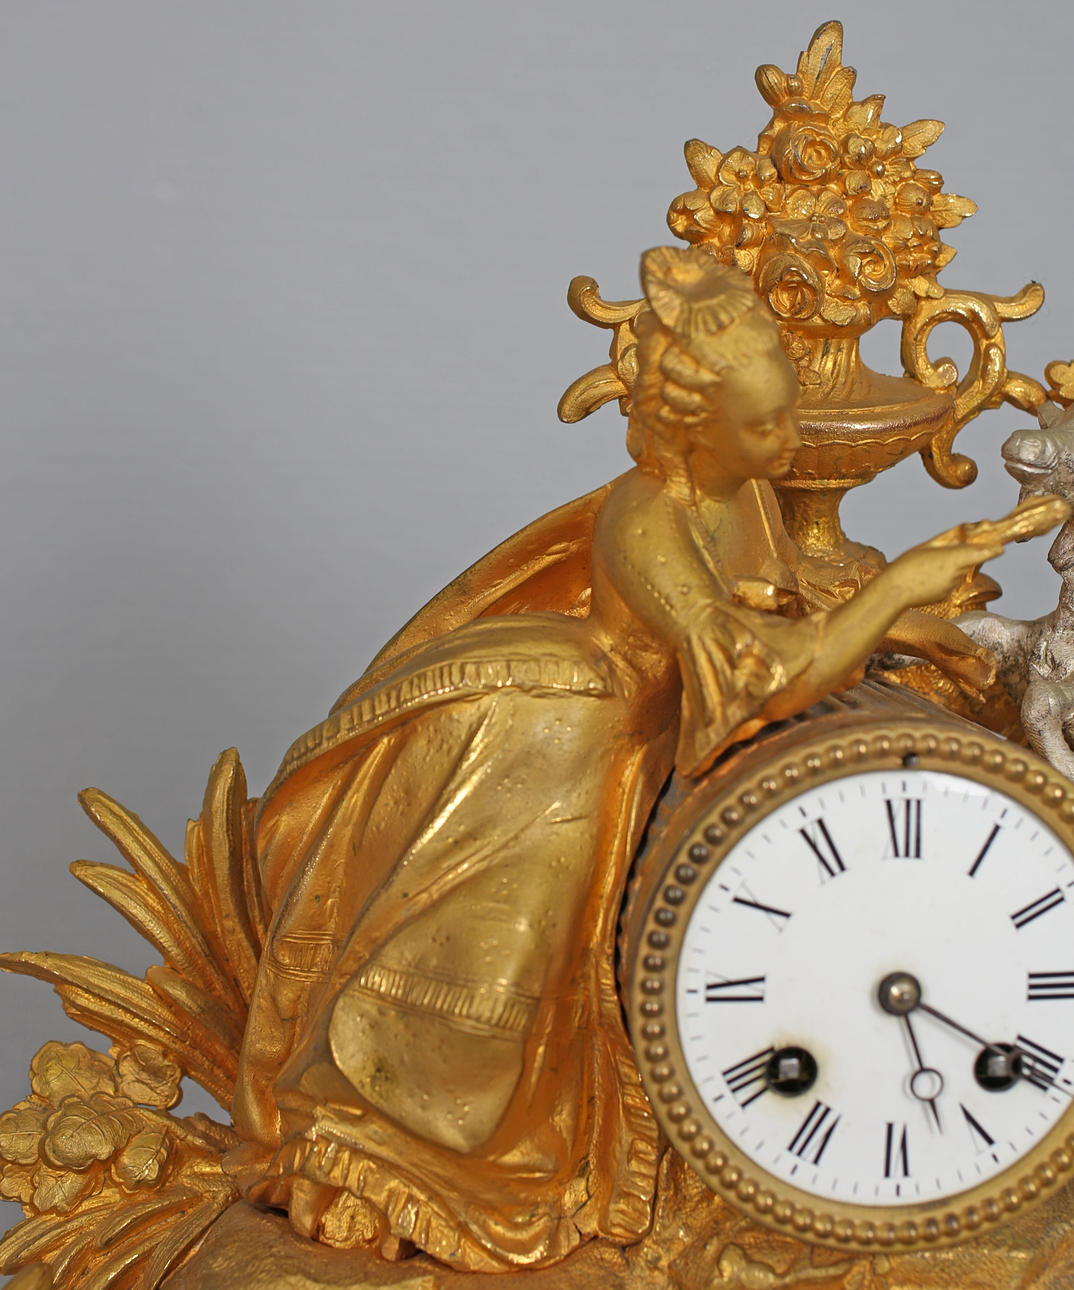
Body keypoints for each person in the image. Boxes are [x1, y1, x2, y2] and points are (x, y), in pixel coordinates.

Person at [226, 247, 1006, 1271]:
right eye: (765, 426)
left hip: (640, 746)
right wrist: (897, 589)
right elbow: (753, 675)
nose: (787, 442)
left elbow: (773, 618)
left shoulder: (744, 490)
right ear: (695, 427)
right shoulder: (649, 519)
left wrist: (905, 628)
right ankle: (397, 1157)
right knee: (502, 985)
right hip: (561, 748)